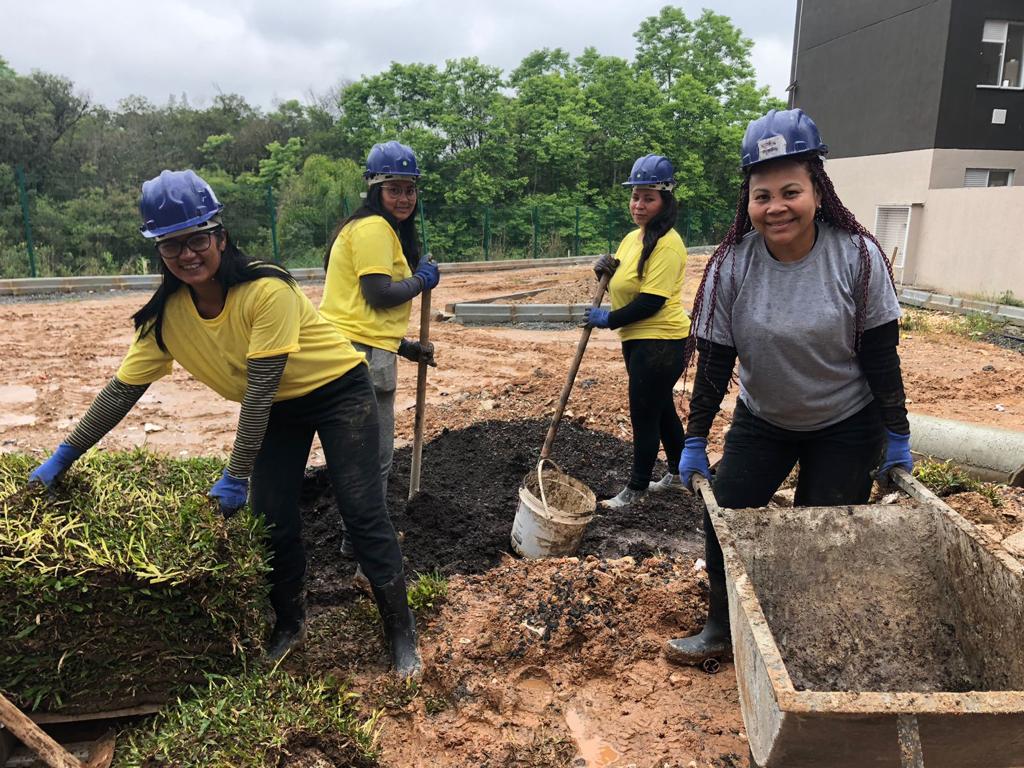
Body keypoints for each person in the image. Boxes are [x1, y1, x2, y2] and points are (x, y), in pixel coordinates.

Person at [27, 170, 422, 677]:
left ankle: (400, 632)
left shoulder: (265, 289)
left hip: (338, 391)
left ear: (220, 236)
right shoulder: (166, 317)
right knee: (272, 516)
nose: (188, 255)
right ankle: (289, 623)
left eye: (197, 240)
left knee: (361, 510)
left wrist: (235, 473)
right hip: (280, 406)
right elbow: (121, 392)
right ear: (159, 252)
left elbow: (259, 389)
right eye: (172, 246)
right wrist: (63, 456)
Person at [663, 109, 914, 666]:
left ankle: (804, 642)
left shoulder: (858, 257)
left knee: (819, 534)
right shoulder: (733, 264)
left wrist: (897, 434)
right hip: (765, 420)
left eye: (790, 191)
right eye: (762, 195)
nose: (776, 207)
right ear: (748, 202)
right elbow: (714, 361)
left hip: (847, 425)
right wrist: (694, 438)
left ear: (818, 192)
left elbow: (880, 355)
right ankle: (721, 628)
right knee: (724, 513)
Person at [320, 141, 439, 539]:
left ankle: (355, 543)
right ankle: (366, 550)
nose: (404, 198)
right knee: (374, 460)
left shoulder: (375, 228)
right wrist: (421, 280)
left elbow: (358, 312)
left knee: (364, 459)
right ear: (375, 190)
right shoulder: (373, 228)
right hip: (359, 358)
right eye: (394, 189)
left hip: (358, 349)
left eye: (410, 189)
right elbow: (378, 294)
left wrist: (403, 347)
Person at [585, 154, 690, 509]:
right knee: (660, 409)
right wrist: (604, 270)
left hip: (661, 341)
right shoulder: (634, 238)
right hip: (639, 341)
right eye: (635, 196)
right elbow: (624, 277)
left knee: (644, 413)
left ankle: (636, 488)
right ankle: (678, 474)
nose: (639, 205)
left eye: (648, 197)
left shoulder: (668, 243)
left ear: (665, 201)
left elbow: (651, 302)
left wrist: (607, 319)